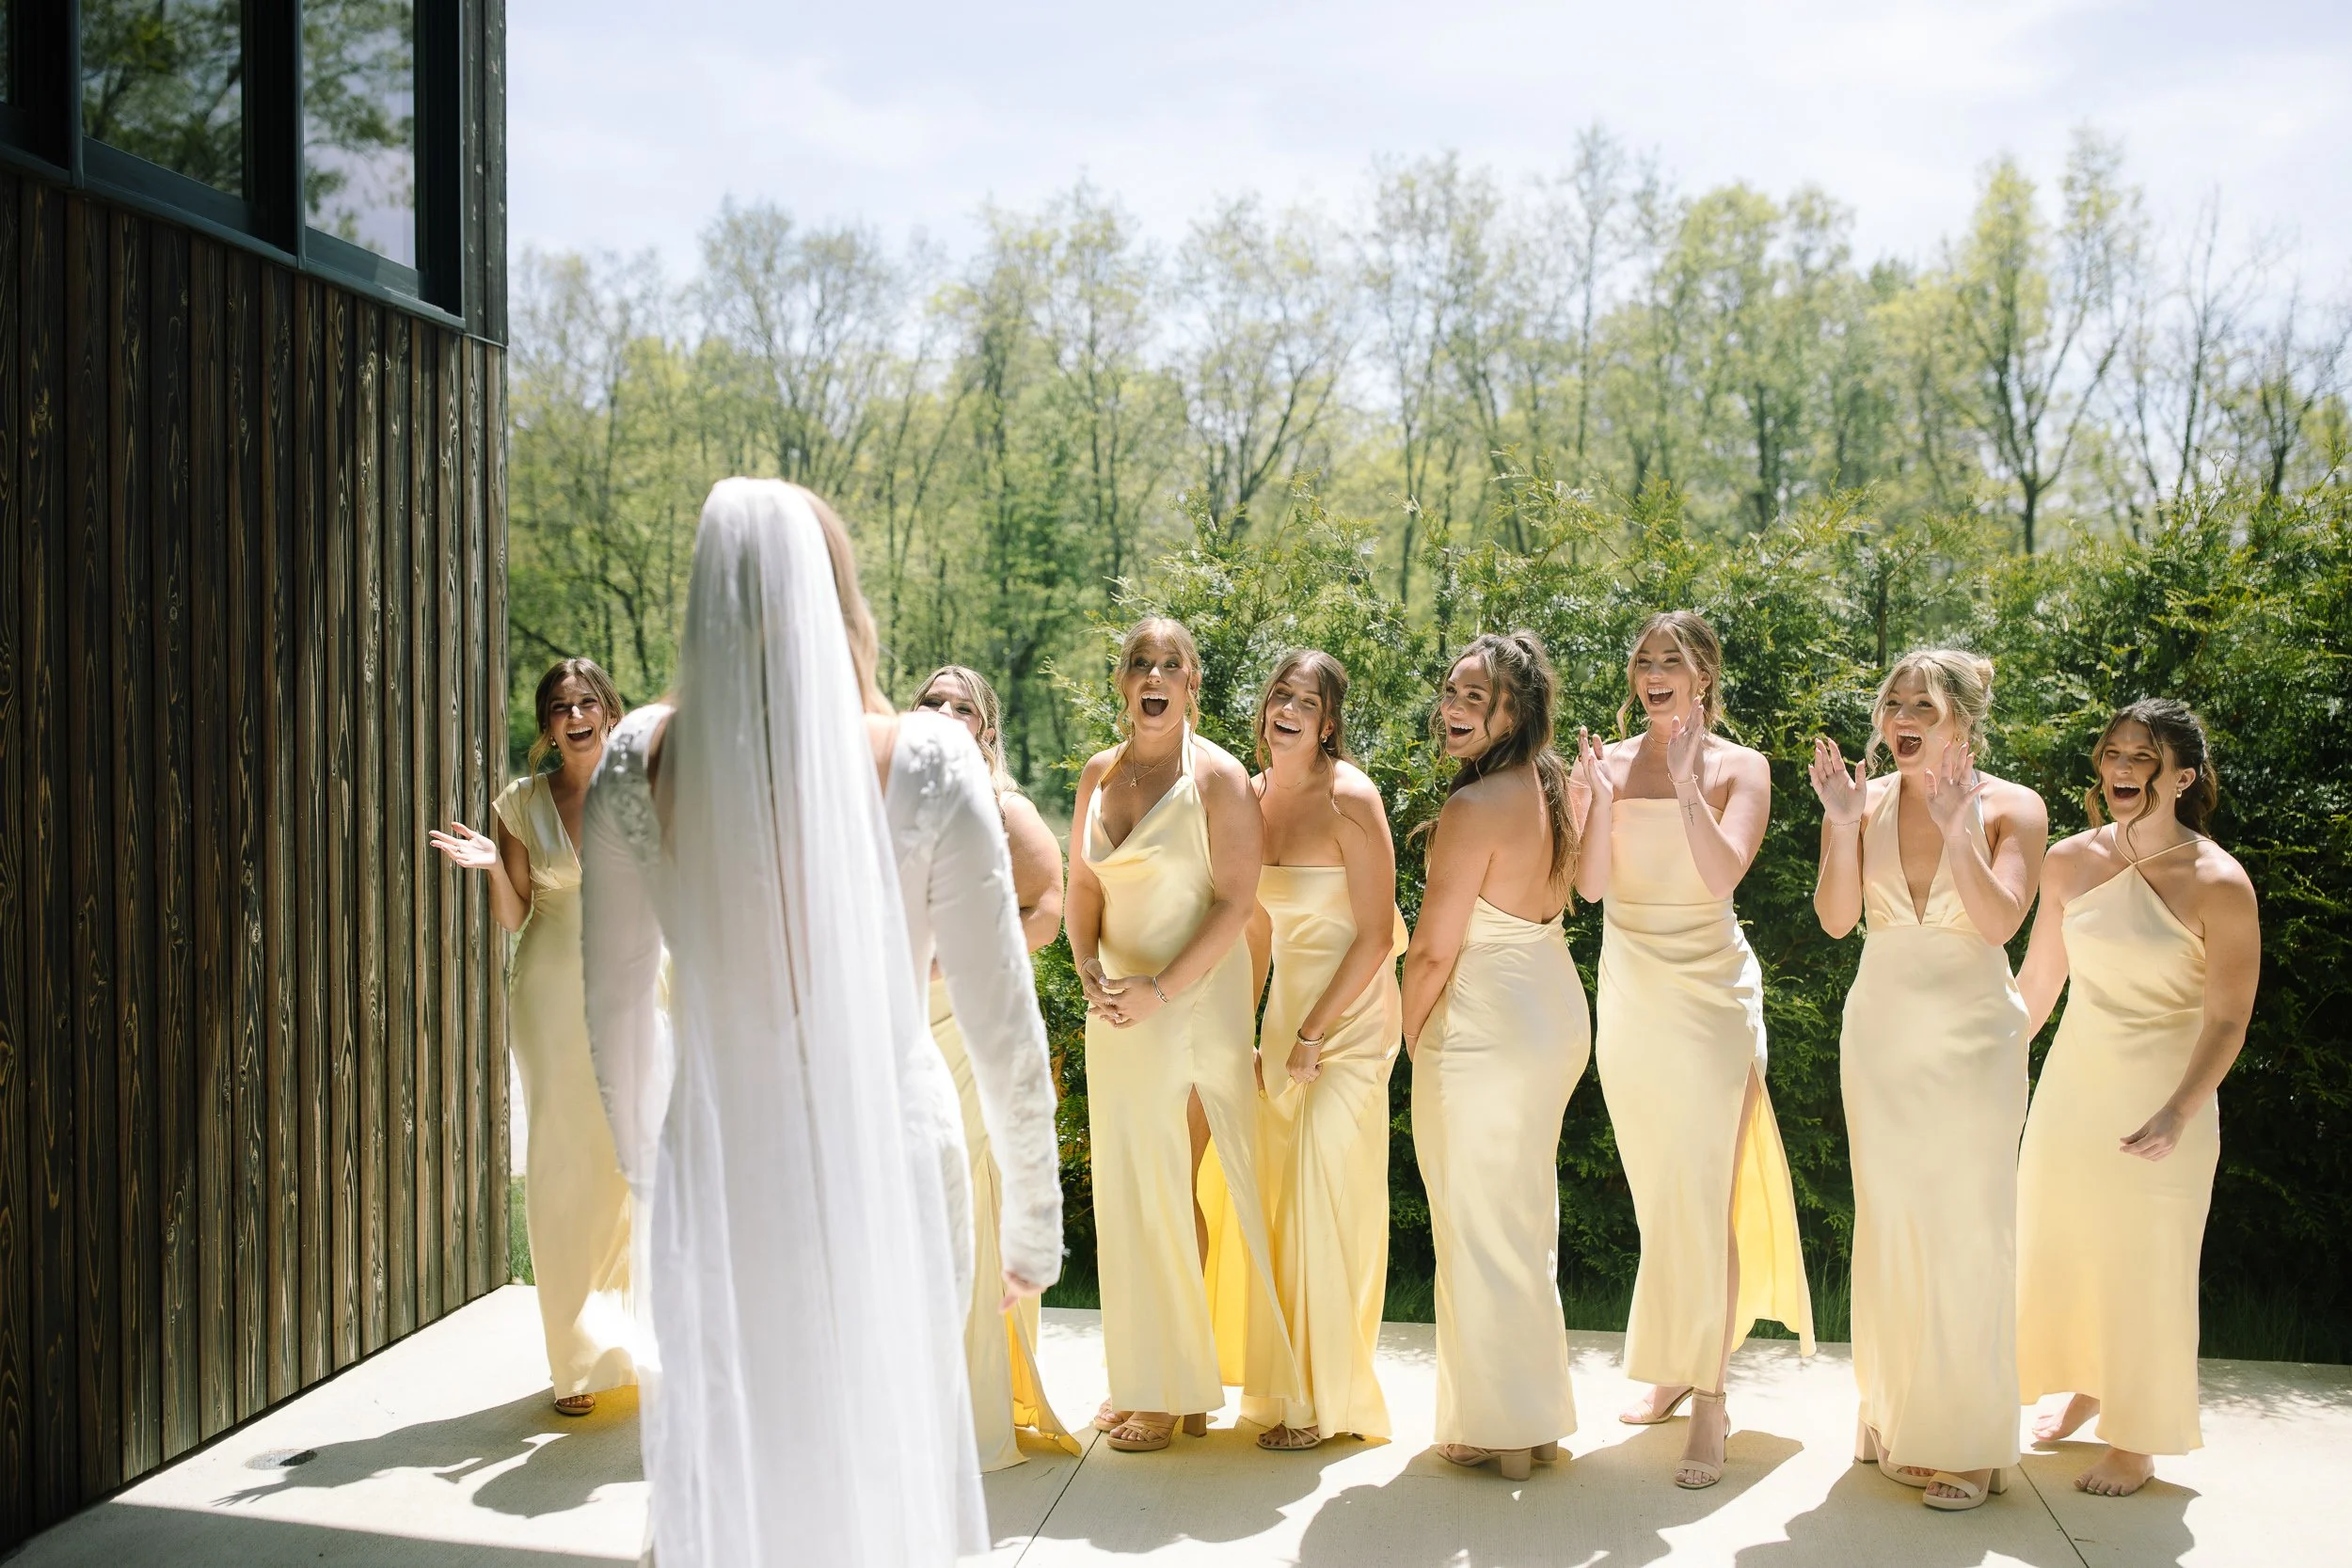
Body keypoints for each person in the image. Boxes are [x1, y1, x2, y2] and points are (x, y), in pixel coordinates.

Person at [577, 478, 1057, 1566]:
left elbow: (611, 1007)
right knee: (882, 1456)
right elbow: (1000, 1016)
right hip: (888, 1148)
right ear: (843, 602)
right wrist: (1034, 1215)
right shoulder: (925, 756)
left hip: (720, 1158)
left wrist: (655, 1169)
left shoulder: (631, 762)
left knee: (739, 1455)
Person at [1574, 611, 1814, 1490]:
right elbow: (1591, 886)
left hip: (1713, 994)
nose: (1652, 672)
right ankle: (1677, 1362)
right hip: (1631, 991)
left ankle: (1712, 1399)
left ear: (1704, 673)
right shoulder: (1601, 759)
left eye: (1670, 660)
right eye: (1642, 659)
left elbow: (1722, 875)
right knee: (1660, 1192)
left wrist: (1682, 787)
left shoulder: (1741, 767)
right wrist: (1594, 801)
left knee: (1707, 1192)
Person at [1810, 648, 2048, 1513]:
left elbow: (1997, 921)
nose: (1902, 717)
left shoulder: (2014, 806)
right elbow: (1839, 921)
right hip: (1879, 1037)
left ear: (1962, 721)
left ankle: (1966, 1444)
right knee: (1890, 1224)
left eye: (1924, 705)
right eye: (1894, 703)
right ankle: (1892, 1407)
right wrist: (1840, 824)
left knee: (1968, 1231)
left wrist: (1958, 830)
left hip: (1973, 1043)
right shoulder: (1863, 801)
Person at [2013, 699, 2260, 1497]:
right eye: (2113, 753)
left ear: (2182, 777)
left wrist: (2180, 1109)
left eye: (2141, 758)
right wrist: (1987, 1060)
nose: (2120, 769)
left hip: (2167, 1097)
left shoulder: (2220, 881)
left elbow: (2227, 1018)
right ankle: (2087, 1383)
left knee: (2147, 1263)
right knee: (2066, 1242)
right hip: (2073, 1091)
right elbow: (2039, 983)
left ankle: (2137, 1438)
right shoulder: (2067, 861)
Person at [1066, 617, 1297, 1452]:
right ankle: (1156, 1375)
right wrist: (1088, 968)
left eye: (1171, 662)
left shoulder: (1221, 779)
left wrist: (1160, 990)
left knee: (1170, 1183)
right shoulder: (1100, 771)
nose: (1154, 674)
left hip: (1191, 1001)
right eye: (1140, 662)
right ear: (1123, 681)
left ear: (1192, 682)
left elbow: (1237, 901)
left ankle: (1171, 1388)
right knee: (1128, 1191)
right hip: (1117, 1009)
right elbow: (1082, 889)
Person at [428, 657, 642, 1417]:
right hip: (550, 993)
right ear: (548, 725)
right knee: (561, 1163)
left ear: (611, 711)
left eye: (588, 700)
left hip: (639, 992)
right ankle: (574, 1360)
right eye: (560, 705)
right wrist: (491, 866)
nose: (575, 713)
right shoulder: (520, 802)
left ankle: (625, 1337)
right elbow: (516, 916)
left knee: (632, 1162)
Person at [1403, 630, 1588, 1482]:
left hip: (1487, 1026)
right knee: (1520, 1219)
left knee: (1479, 1226)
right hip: (1550, 1009)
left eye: (1475, 696)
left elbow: (1432, 952)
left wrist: (1408, 1042)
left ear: (1515, 711)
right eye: (1450, 691)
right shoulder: (1547, 788)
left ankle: (1502, 1430)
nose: (1452, 707)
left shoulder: (1474, 810)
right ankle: (1534, 1424)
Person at [904, 662, 1078, 1469]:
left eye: (960, 704)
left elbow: (1050, 906)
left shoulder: (1004, 806)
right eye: (930, 701)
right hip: (905, 1022)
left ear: (987, 728)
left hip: (972, 1025)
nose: (943, 711)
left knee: (964, 1196)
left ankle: (969, 1417)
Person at [1239, 650, 1404, 1452]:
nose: (1290, 707)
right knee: (1283, 1198)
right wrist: (1251, 1027)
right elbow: (1260, 928)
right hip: (1286, 1021)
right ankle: (1290, 1383)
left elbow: (1377, 933)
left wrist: (1312, 1034)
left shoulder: (1352, 797)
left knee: (1321, 1190)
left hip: (1353, 1017)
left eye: (1308, 699)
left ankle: (1325, 1399)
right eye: (1281, 693)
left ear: (1329, 721)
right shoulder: (1253, 796)